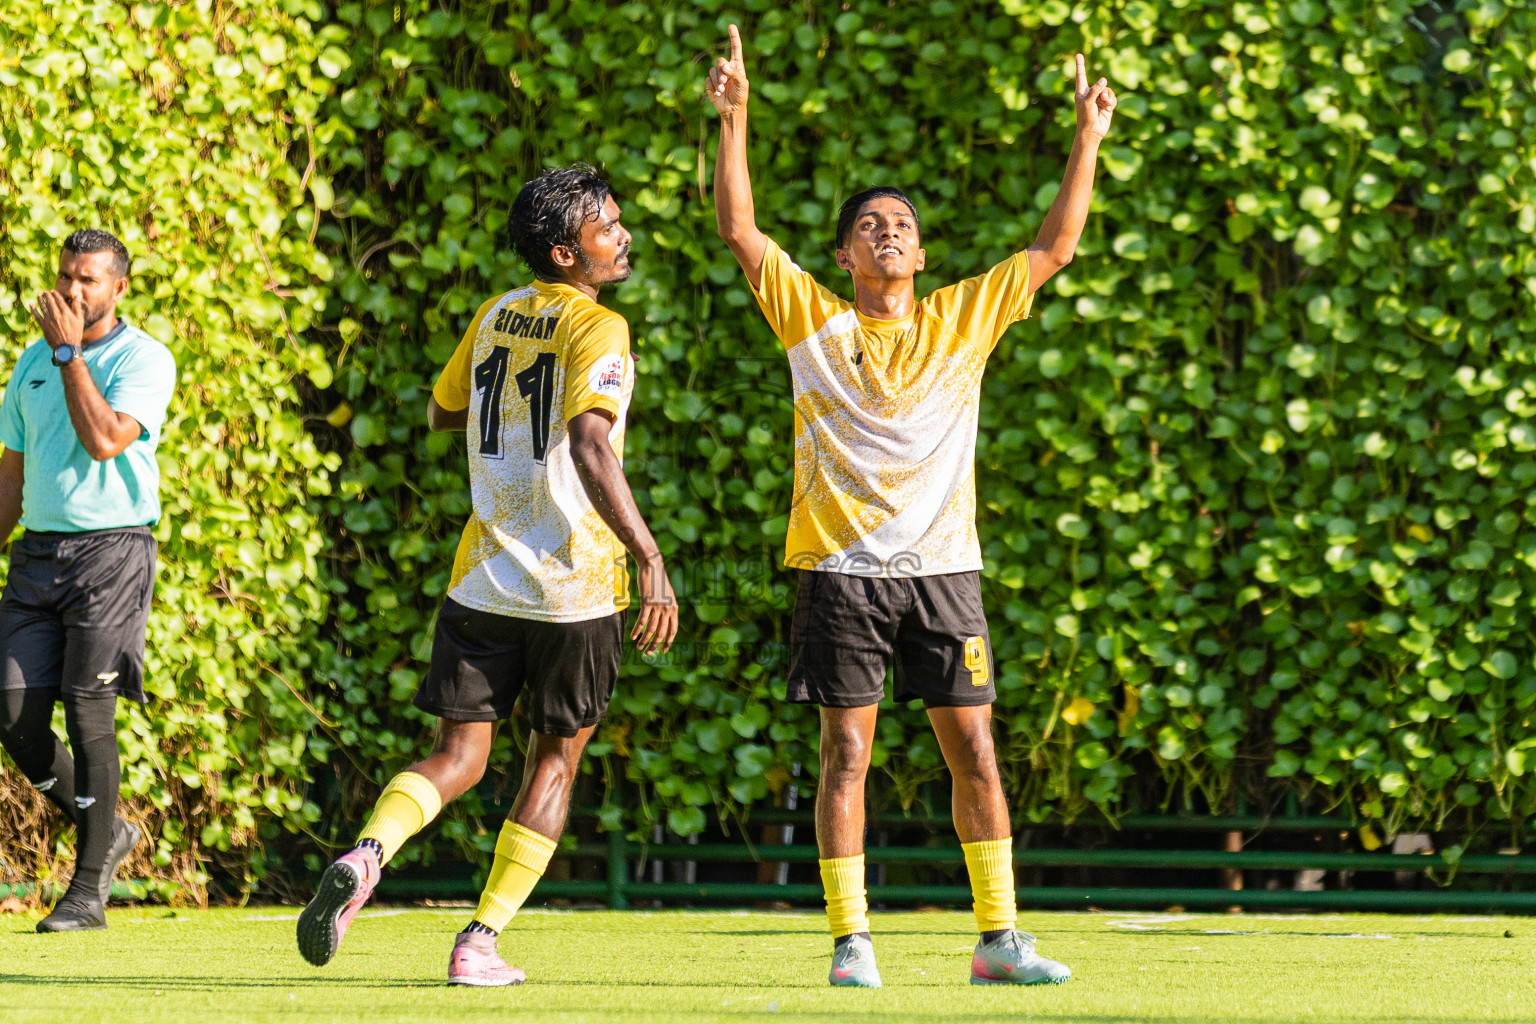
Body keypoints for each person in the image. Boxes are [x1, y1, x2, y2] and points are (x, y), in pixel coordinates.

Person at [708, 25, 1118, 987]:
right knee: (845, 755)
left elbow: (1055, 246)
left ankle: (999, 940)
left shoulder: (964, 314)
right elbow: (739, 230)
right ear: (844, 254)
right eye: (868, 225)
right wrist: (735, 118)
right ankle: (851, 941)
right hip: (840, 575)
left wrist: (1088, 136)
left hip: (945, 573)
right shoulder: (813, 319)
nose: (886, 230)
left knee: (975, 750)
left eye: (899, 223)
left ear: (922, 253)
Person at [297, 163, 679, 986]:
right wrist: (650, 558)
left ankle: (368, 854)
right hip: (575, 588)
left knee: (457, 755)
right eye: (607, 227)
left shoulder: (497, 312)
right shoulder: (601, 327)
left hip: (484, 577)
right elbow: (591, 443)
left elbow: (443, 409)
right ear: (565, 253)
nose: (622, 236)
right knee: (554, 762)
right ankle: (479, 940)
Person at [0, 229, 177, 932]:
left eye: (90, 280)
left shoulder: (143, 359)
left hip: (112, 552)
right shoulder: (29, 362)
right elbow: (10, 477)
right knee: (11, 712)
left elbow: (105, 440)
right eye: (66, 276)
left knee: (87, 710)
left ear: (119, 288)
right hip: (37, 556)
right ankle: (111, 833)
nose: (73, 291)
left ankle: (85, 894)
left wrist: (70, 354)